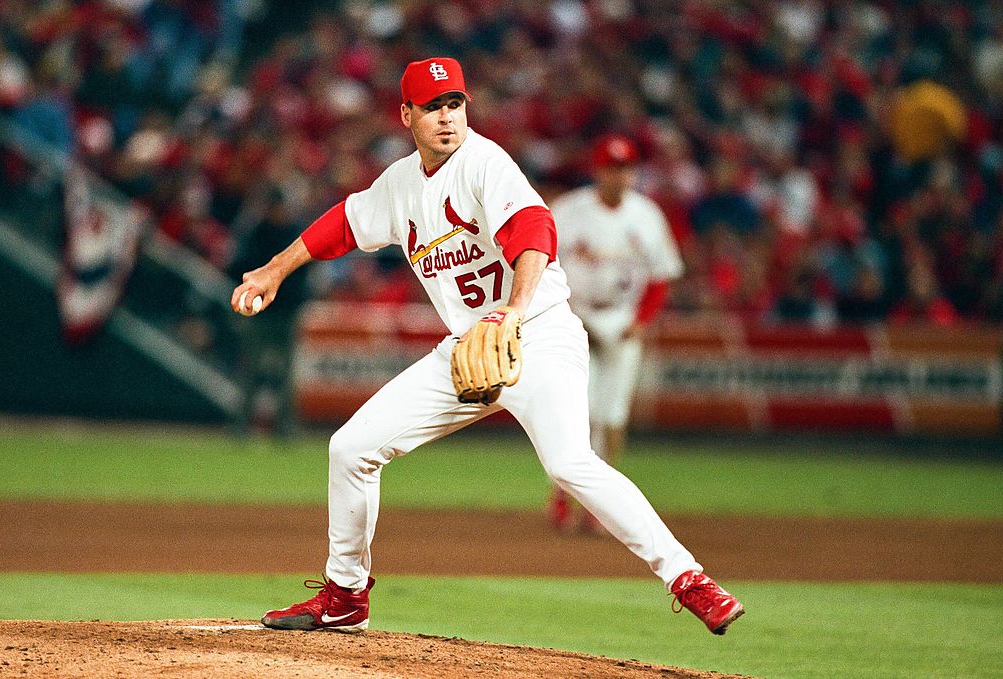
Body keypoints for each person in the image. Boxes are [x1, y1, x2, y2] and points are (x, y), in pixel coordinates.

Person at [231, 57, 743, 636]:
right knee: (351, 449)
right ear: (406, 115)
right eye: (433, 108)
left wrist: (514, 311)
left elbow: (534, 231)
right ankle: (346, 595)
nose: (448, 118)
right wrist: (273, 270)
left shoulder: (484, 162)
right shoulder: (400, 184)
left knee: (570, 462)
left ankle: (690, 579)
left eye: (456, 104)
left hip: (540, 334)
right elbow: (345, 223)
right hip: (467, 346)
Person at [548, 134, 685, 533]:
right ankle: (561, 495)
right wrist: (560, 317)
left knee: (612, 416)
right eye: (612, 167)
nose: (619, 175)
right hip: (576, 317)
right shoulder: (569, 211)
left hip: (623, 319)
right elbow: (539, 265)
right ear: (597, 169)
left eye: (625, 168)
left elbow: (662, 277)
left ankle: (597, 505)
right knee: (577, 414)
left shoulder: (646, 215)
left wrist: (641, 322)